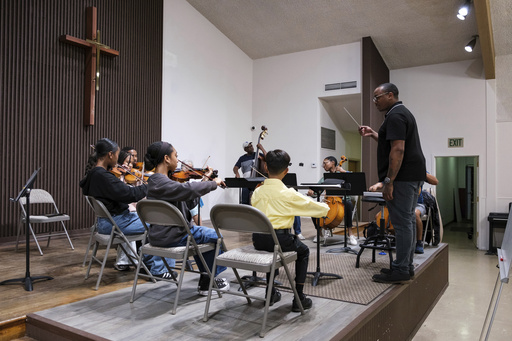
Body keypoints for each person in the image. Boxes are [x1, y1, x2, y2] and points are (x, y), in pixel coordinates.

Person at [359, 82, 426, 284]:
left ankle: (401, 270)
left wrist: (388, 181)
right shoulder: (401, 113)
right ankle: (405, 266)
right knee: (406, 222)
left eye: (377, 97)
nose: (375, 101)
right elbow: (392, 142)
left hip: (403, 178)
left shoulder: (396, 116)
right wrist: (373, 134)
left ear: (390, 95)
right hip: (410, 175)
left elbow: (398, 150)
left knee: (402, 223)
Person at [144, 141, 230, 296]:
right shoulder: (160, 182)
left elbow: (188, 196)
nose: (178, 159)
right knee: (214, 236)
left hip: (158, 235)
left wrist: (206, 180)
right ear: (166, 159)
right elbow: (187, 190)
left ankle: (207, 278)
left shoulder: (157, 182)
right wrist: (213, 184)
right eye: (176, 156)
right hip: (173, 236)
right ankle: (208, 280)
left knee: (202, 235)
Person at [79, 138, 173, 279]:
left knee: (155, 220)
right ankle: (158, 270)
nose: (118, 159)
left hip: (106, 222)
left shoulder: (94, 174)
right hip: (116, 223)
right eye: (117, 154)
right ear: (110, 154)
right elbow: (130, 194)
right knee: (164, 223)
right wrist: (152, 185)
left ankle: (146, 265)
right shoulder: (103, 176)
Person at [251, 149, 329, 312]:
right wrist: (326, 204)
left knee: (272, 250)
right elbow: (321, 210)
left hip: (258, 240)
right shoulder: (289, 194)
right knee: (304, 251)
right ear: (286, 171)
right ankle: (299, 297)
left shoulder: (257, 192)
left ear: (265, 168)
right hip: (281, 241)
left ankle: (270, 292)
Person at [307, 156, 356, 245]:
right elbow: (317, 191)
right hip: (329, 201)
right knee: (313, 207)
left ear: (333, 162)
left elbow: (355, 179)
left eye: (325, 163)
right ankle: (320, 234)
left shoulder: (343, 174)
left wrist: (344, 172)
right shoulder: (325, 178)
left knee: (348, 204)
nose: (323, 165)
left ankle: (350, 234)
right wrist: (312, 192)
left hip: (343, 200)